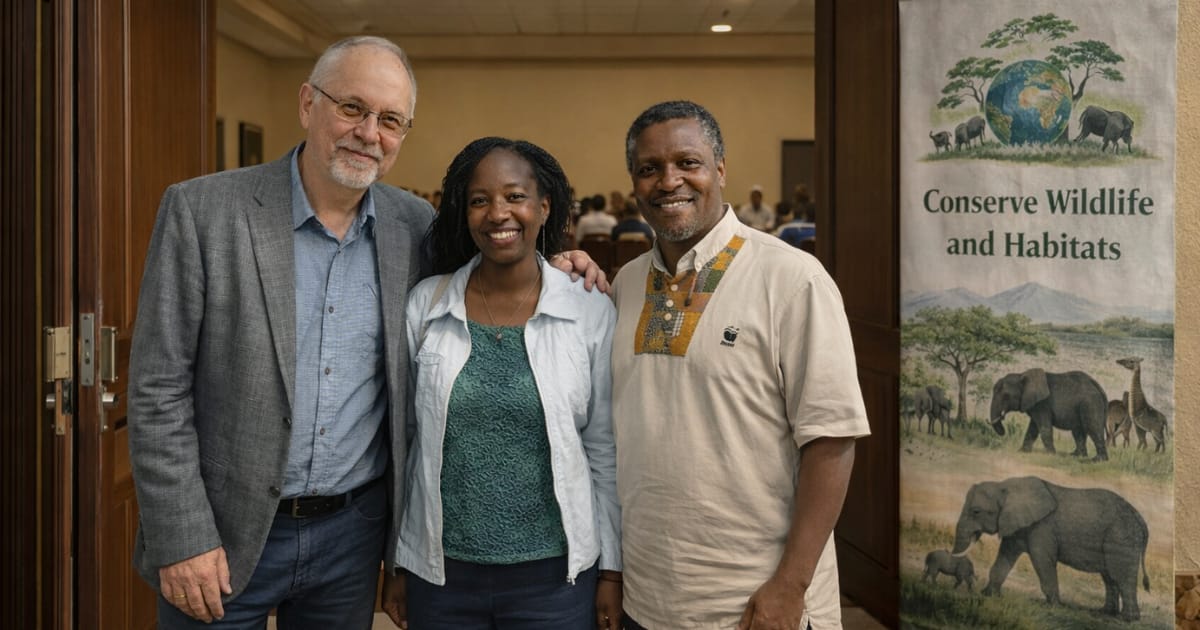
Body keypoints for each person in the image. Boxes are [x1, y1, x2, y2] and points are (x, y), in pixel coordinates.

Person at [127, 36, 603, 628]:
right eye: (352, 108)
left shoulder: (414, 226)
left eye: (390, 120)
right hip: (221, 536)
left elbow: (495, 268)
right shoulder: (204, 211)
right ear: (308, 104)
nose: (369, 133)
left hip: (350, 538)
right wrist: (182, 536)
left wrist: (562, 266)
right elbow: (157, 389)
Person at [611, 100, 871, 630]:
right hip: (649, 597)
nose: (669, 181)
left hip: (755, 602)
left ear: (721, 170)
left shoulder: (793, 279)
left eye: (688, 162)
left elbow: (832, 441)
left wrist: (790, 585)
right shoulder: (625, 284)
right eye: (649, 168)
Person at [382, 137, 621, 630]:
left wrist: (611, 571)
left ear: (544, 207)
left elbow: (603, 448)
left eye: (515, 196)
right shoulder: (426, 304)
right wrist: (399, 560)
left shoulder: (587, 308)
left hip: (555, 578)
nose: (498, 213)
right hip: (442, 574)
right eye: (479, 200)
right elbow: (406, 443)